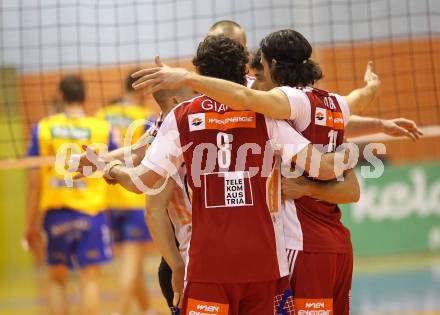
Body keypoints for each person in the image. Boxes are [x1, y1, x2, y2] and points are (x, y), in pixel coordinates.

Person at [96, 35, 359, 315]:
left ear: (198, 69)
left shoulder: (181, 116)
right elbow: (320, 167)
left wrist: (110, 168)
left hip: (208, 266)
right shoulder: (265, 115)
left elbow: (142, 182)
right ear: (245, 69)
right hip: (266, 265)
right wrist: (348, 153)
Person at [24, 75, 115, 315]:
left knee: (56, 280)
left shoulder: (42, 128)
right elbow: (117, 169)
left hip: (55, 214)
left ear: (61, 96)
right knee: (90, 281)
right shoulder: (102, 128)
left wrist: (29, 223)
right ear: (84, 97)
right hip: (91, 213)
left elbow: (34, 181)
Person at [96, 73, 157, 315]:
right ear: (141, 91)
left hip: (108, 195)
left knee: (134, 262)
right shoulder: (145, 118)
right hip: (134, 194)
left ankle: (147, 309)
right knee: (132, 261)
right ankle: (121, 311)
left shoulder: (100, 115)